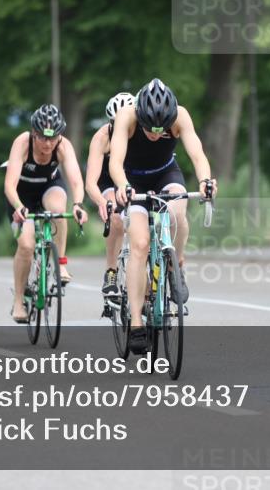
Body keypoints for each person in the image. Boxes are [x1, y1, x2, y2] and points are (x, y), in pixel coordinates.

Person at [110, 78, 217, 354]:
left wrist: (206, 180)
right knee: (140, 244)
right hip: (134, 181)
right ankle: (136, 323)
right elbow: (115, 162)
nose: (156, 134)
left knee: (177, 211)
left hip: (166, 173)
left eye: (161, 130)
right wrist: (122, 186)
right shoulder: (127, 116)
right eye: (150, 129)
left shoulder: (180, 116)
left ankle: (175, 264)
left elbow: (197, 154)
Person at [3, 104, 89, 323]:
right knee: (26, 245)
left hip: (48, 187)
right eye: (42, 138)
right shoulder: (22, 143)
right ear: (34, 133)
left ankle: (60, 263)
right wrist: (18, 207)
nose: (48, 144)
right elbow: (9, 186)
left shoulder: (63, 146)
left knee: (59, 211)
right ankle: (18, 301)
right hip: (21, 195)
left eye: (53, 138)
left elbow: (77, 181)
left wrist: (78, 204)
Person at [84, 92, 136, 300]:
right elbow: (90, 182)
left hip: (134, 176)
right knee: (116, 217)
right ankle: (112, 272)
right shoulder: (102, 137)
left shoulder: (142, 133)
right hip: (108, 181)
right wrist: (102, 202)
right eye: (115, 122)